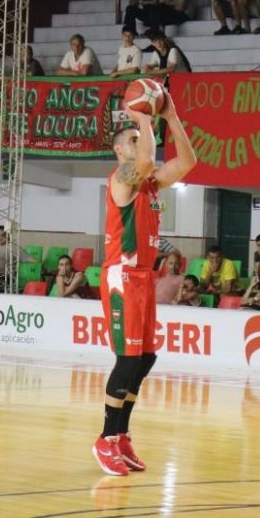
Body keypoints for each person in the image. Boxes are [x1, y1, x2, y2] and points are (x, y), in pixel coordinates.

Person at [93, 85, 196, 476]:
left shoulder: (150, 184)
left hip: (143, 279)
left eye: (141, 138)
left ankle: (121, 434)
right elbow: (148, 159)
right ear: (120, 150)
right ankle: (105, 438)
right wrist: (143, 117)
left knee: (146, 356)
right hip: (122, 275)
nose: (140, 142)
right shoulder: (121, 177)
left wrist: (171, 116)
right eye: (133, 140)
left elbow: (188, 161)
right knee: (127, 359)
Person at [0, 226, 36, 292]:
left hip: (4, 278)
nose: (0, 237)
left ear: (8, 235)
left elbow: (31, 259)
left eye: (3, 235)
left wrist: (40, 264)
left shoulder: (13, 247)